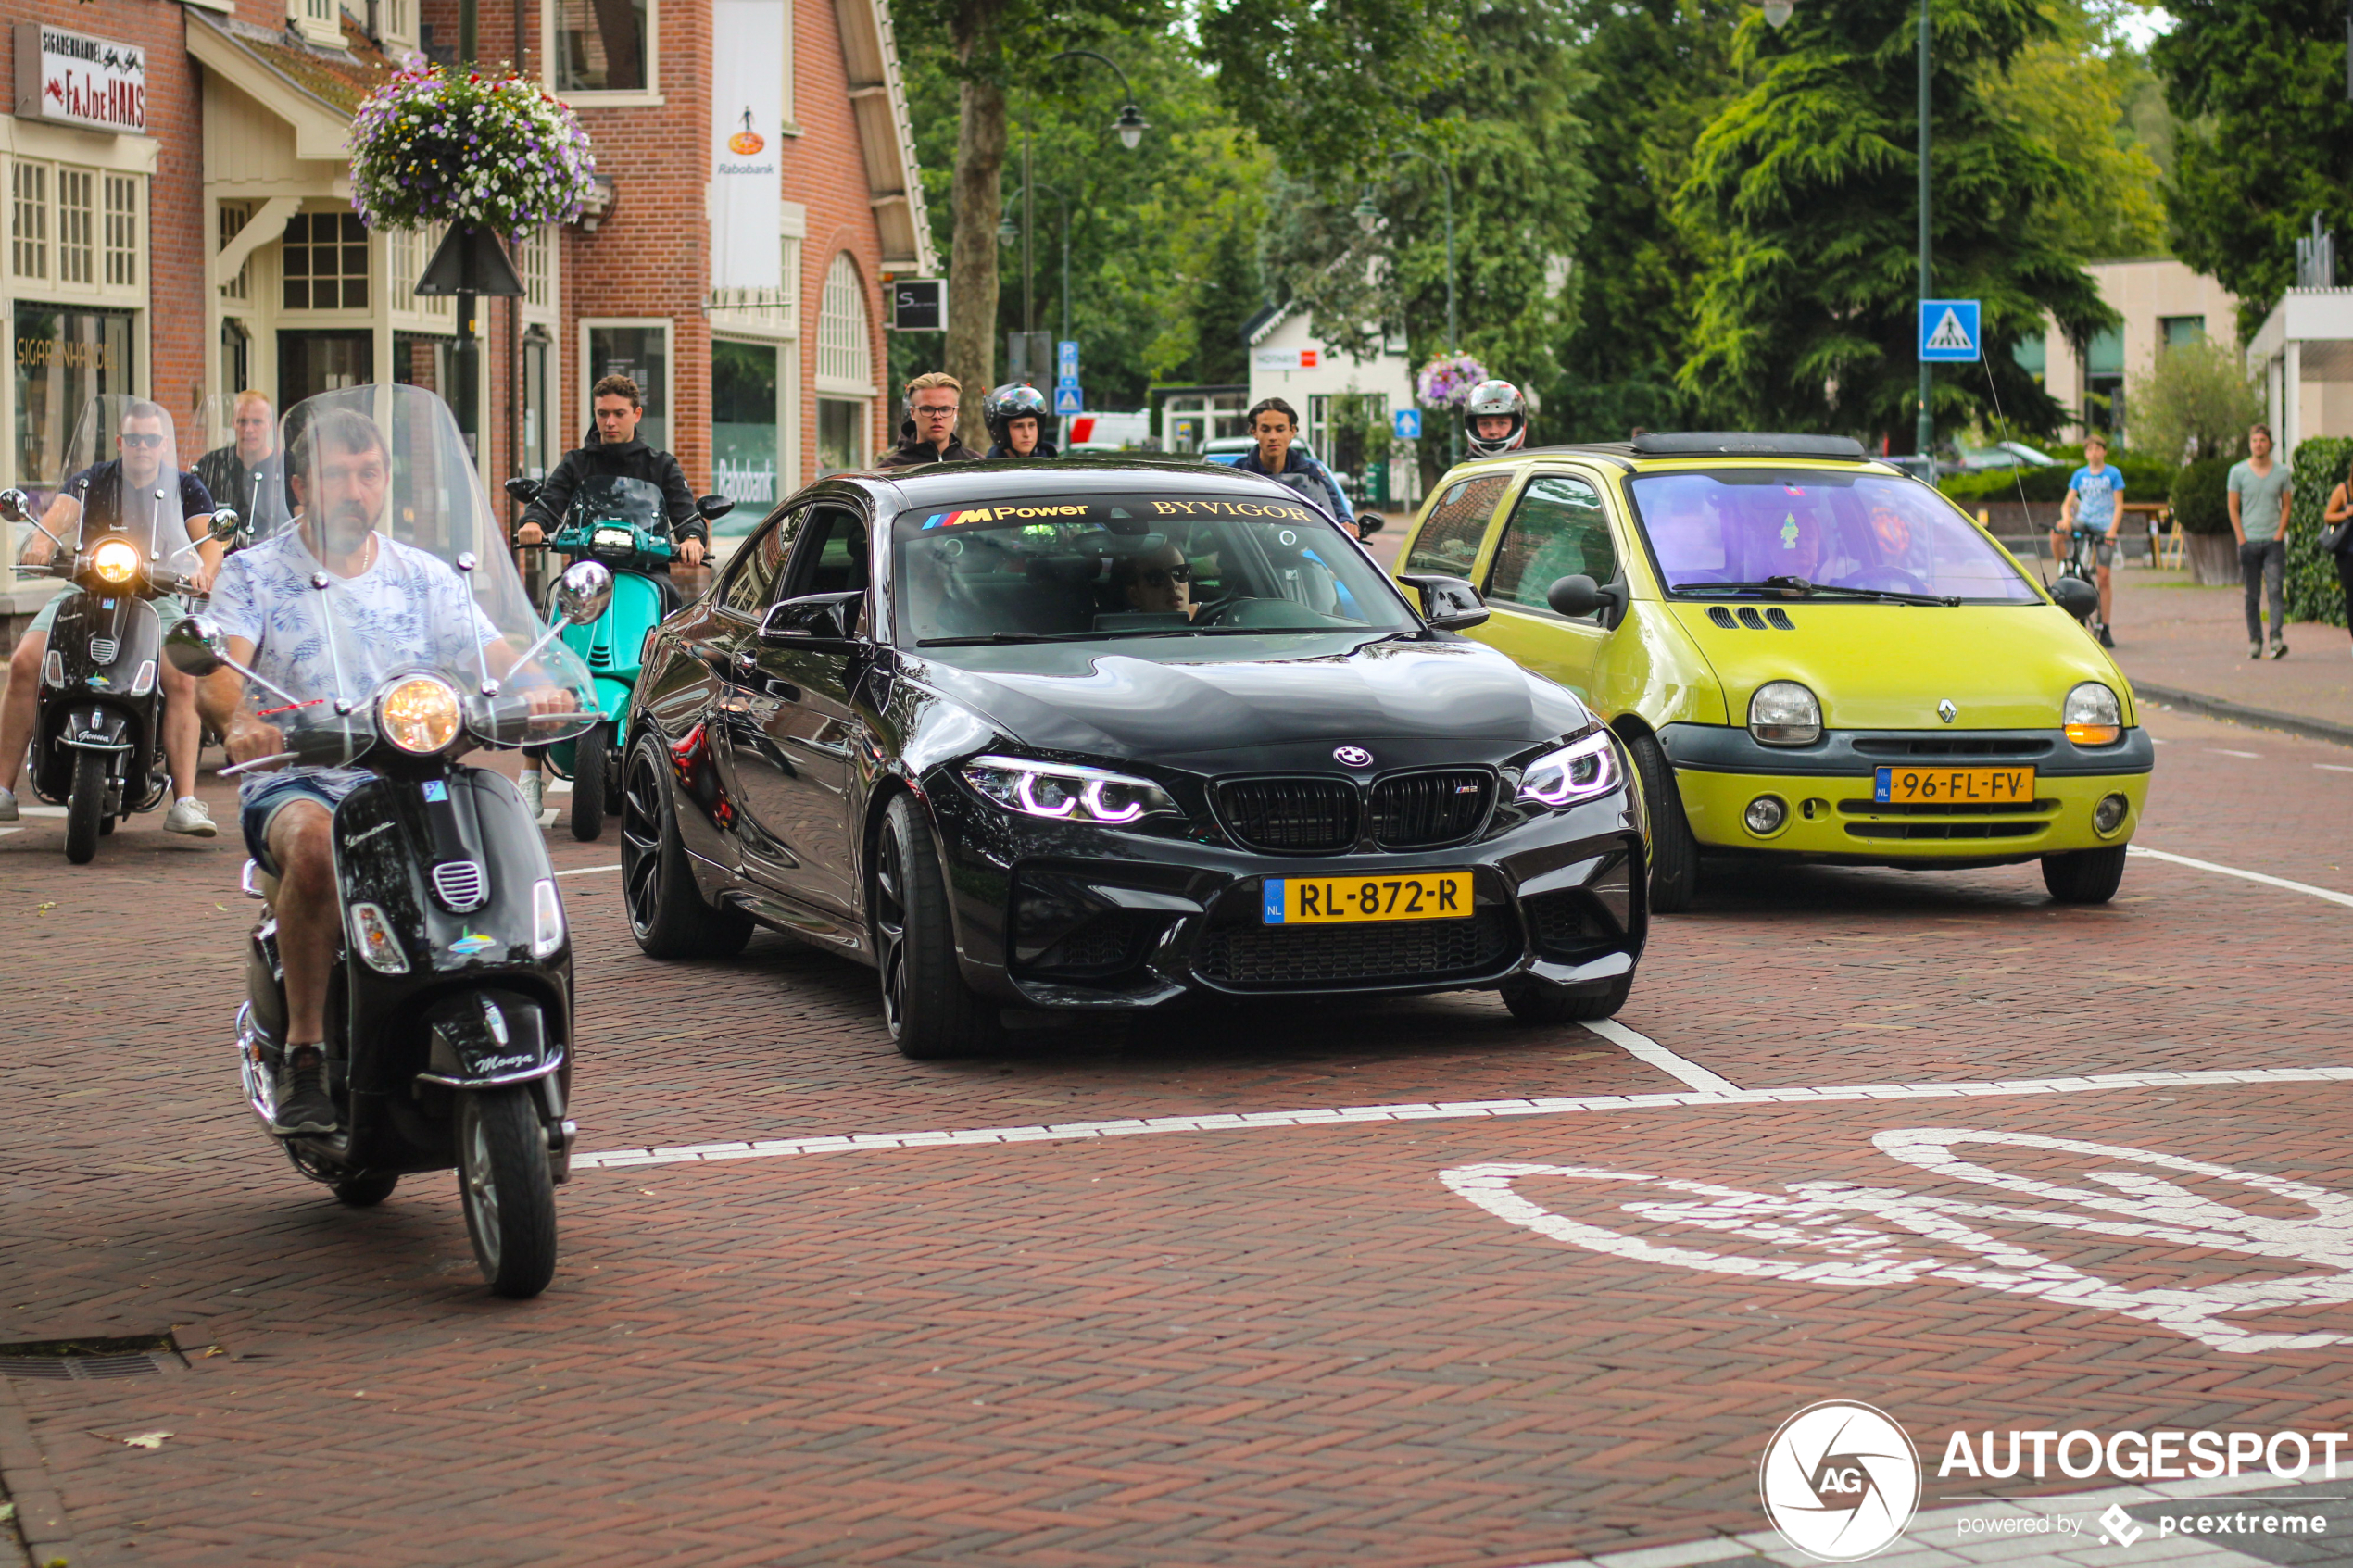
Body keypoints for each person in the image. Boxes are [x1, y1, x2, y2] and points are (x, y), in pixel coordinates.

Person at [198, 407, 566, 1135]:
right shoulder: (254, 573)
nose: (354, 489)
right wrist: (238, 718)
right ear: (301, 485)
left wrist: (542, 684)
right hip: (300, 775)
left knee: (498, 828)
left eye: (369, 474)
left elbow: (495, 656)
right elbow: (218, 668)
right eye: (337, 474)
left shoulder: (423, 576)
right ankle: (305, 1051)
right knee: (313, 843)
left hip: (410, 771)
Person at [0, 400, 220, 834]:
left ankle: (187, 801)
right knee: (26, 660)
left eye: (151, 440)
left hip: (157, 594)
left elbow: (208, 537)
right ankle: (4, 790)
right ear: (120, 442)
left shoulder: (185, 486)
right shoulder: (93, 480)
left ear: (163, 444)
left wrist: (204, 568)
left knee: (182, 673)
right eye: (133, 439)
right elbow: (57, 517)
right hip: (84, 590)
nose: (142, 447)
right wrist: (41, 543)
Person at [513, 373, 707, 814]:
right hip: (585, 575)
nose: (610, 421)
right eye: (603, 413)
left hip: (646, 574)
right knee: (542, 649)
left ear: (636, 414)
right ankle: (530, 773)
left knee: (677, 640)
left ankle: (674, 737)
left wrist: (692, 537)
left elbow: (684, 510)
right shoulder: (578, 463)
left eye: (619, 413)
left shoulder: (659, 465)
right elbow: (550, 500)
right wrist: (535, 524)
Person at [2227, 422, 2295, 659]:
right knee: (2251, 594)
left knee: (2276, 590)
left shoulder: (2282, 473)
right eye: (2255, 440)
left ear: (2270, 444)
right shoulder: (2238, 472)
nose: (2258, 445)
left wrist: (2279, 534)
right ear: (2250, 444)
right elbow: (2233, 507)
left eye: (2263, 441)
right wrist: (2241, 538)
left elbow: (2287, 506)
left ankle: (2276, 639)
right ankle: (2255, 640)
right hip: (2249, 540)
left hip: (2273, 541)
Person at [2052, 432, 2123, 647]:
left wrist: (2112, 531)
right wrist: (2066, 518)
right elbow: (2067, 503)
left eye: (2097, 448)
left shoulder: (2113, 474)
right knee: (2056, 534)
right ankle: (2065, 567)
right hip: (2083, 520)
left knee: (2103, 576)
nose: (2093, 453)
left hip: (2104, 526)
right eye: (2089, 449)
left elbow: (2119, 505)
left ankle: (2106, 626)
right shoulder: (2079, 475)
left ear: (2104, 451)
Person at [1232, 398, 1353, 525]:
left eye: (1280, 429)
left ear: (1292, 431)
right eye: (1265, 430)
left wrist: (1346, 522)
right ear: (1254, 432)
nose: (1273, 437)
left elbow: (1333, 507)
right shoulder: (1236, 474)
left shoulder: (1309, 472)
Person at [194, 390, 283, 542]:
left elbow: (301, 521)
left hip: (273, 556)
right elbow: (194, 517)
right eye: (242, 422)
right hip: (223, 556)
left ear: (269, 424)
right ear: (233, 423)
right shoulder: (211, 464)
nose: (248, 430)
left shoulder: (285, 465)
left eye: (257, 422)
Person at [880, 372, 983, 468]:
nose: (937, 416)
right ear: (913, 413)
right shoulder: (891, 468)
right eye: (927, 409)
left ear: (955, 412)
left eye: (945, 409)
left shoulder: (977, 464)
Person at [2322, 453, 2353, 658]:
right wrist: (2346, 513)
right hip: (2348, 552)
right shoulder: (2344, 490)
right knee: (2352, 595)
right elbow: (2328, 516)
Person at [1114, 540, 1196, 619]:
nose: (1173, 585)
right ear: (1134, 595)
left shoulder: (1205, 619)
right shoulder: (1119, 630)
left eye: (1180, 572)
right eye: (1158, 577)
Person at [984, 383, 1056, 458]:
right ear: (1000, 431)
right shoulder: (986, 469)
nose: (1027, 434)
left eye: (1031, 425)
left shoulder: (1056, 468)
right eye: (1018, 426)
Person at [1464, 379, 1529, 458]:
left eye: (1501, 423)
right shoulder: (1463, 471)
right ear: (1474, 426)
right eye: (1485, 424)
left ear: (1516, 424)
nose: (1493, 431)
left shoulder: (1533, 469)